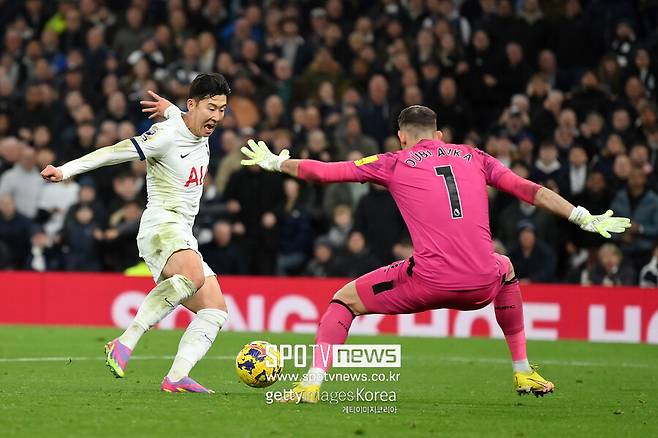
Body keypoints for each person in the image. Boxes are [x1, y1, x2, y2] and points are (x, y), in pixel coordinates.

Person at [240, 105, 631, 402]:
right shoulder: (476, 157)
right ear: (440, 135)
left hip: (428, 281)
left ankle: (311, 384)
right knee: (505, 265)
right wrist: (581, 216)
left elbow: (324, 173)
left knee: (343, 302)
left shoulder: (394, 161)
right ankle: (523, 370)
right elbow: (531, 191)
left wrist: (276, 162)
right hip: (482, 284)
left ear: (402, 137)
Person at [40, 74, 232, 393]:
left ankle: (176, 377)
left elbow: (182, 118)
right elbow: (114, 152)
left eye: (223, 110)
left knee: (215, 311)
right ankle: (124, 341)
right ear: (193, 104)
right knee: (193, 276)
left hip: (182, 229)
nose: (216, 117)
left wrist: (172, 109)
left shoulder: (194, 124)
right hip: (161, 224)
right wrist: (65, 171)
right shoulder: (166, 135)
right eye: (211, 108)